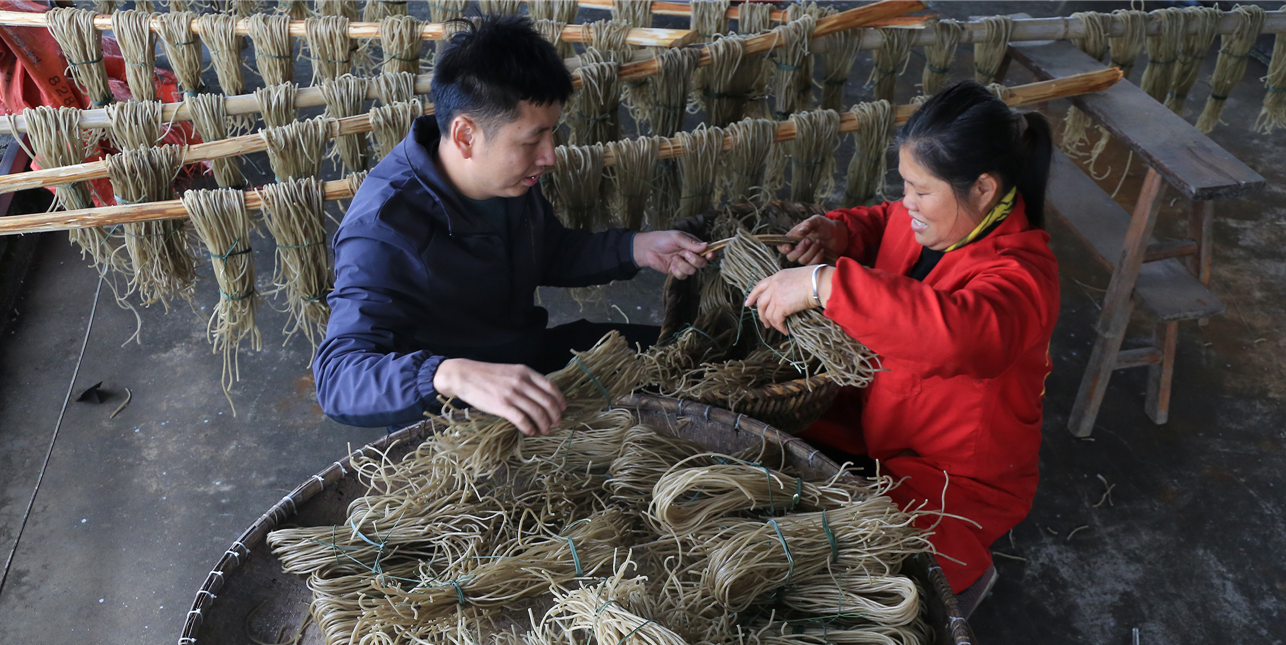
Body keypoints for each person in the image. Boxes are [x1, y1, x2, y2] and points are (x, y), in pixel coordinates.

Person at [744, 81, 1059, 612]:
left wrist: (825, 282)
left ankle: (967, 582)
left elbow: (961, 336)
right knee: (761, 447)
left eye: (921, 190)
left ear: (983, 189)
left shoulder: (1024, 274)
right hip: (883, 417)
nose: (907, 202)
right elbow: (885, 221)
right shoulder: (938, 219)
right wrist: (841, 233)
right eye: (905, 184)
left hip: (953, 477)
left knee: (857, 578)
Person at [314, 16, 710, 435]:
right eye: (530, 140)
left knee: (696, 354)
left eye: (551, 134)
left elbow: (547, 251)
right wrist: (450, 375)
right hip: (461, 415)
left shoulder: (505, 179)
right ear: (465, 135)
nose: (549, 156)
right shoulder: (383, 229)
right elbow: (338, 378)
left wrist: (636, 247)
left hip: (529, 361)